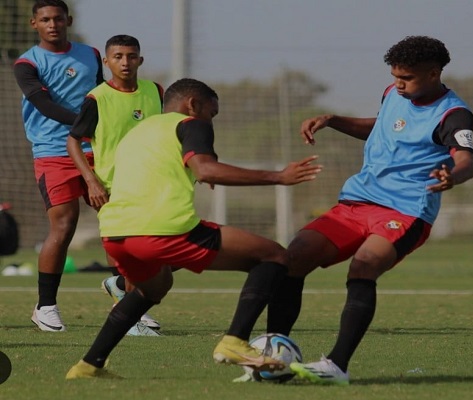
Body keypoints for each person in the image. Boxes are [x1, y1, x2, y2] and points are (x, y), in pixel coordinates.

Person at [65, 78, 322, 379]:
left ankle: (88, 365)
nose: (210, 121)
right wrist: (279, 177)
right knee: (275, 256)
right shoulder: (192, 124)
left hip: (115, 233)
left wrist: (202, 170)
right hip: (162, 230)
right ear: (193, 104)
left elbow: (169, 169)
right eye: (211, 113)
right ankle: (235, 342)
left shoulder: (140, 131)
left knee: (154, 287)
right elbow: (206, 168)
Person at [268, 35, 473, 385]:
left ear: (433, 73)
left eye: (406, 78)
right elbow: (383, 127)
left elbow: (467, 160)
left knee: (363, 267)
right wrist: (333, 120)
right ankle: (274, 353)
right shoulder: (393, 93)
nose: (398, 83)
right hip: (358, 200)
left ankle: (336, 366)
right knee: (294, 256)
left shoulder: (453, 114)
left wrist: (451, 177)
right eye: (395, 75)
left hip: (407, 209)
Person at [13, 0, 103, 332]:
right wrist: (86, 124)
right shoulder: (26, 63)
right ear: (34, 23)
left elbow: (101, 95)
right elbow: (43, 104)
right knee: (64, 227)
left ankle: (130, 299)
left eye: (58, 18)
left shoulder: (91, 54)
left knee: (121, 221)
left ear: (69, 20)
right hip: (53, 152)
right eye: (45, 19)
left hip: (97, 149)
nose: (53, 24)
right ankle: (46, 306)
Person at [67, 34, 163, 335]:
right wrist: (91, 180)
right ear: (107, 62)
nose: (125, 62)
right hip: (112, 185)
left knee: (153, 251)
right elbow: (73, 141)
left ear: (140, 60)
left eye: (131, 56)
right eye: (118, 57)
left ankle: (120, 287)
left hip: (152, 183)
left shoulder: (156, 92)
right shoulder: (97, 98)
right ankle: (128, 313)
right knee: (127, 246)